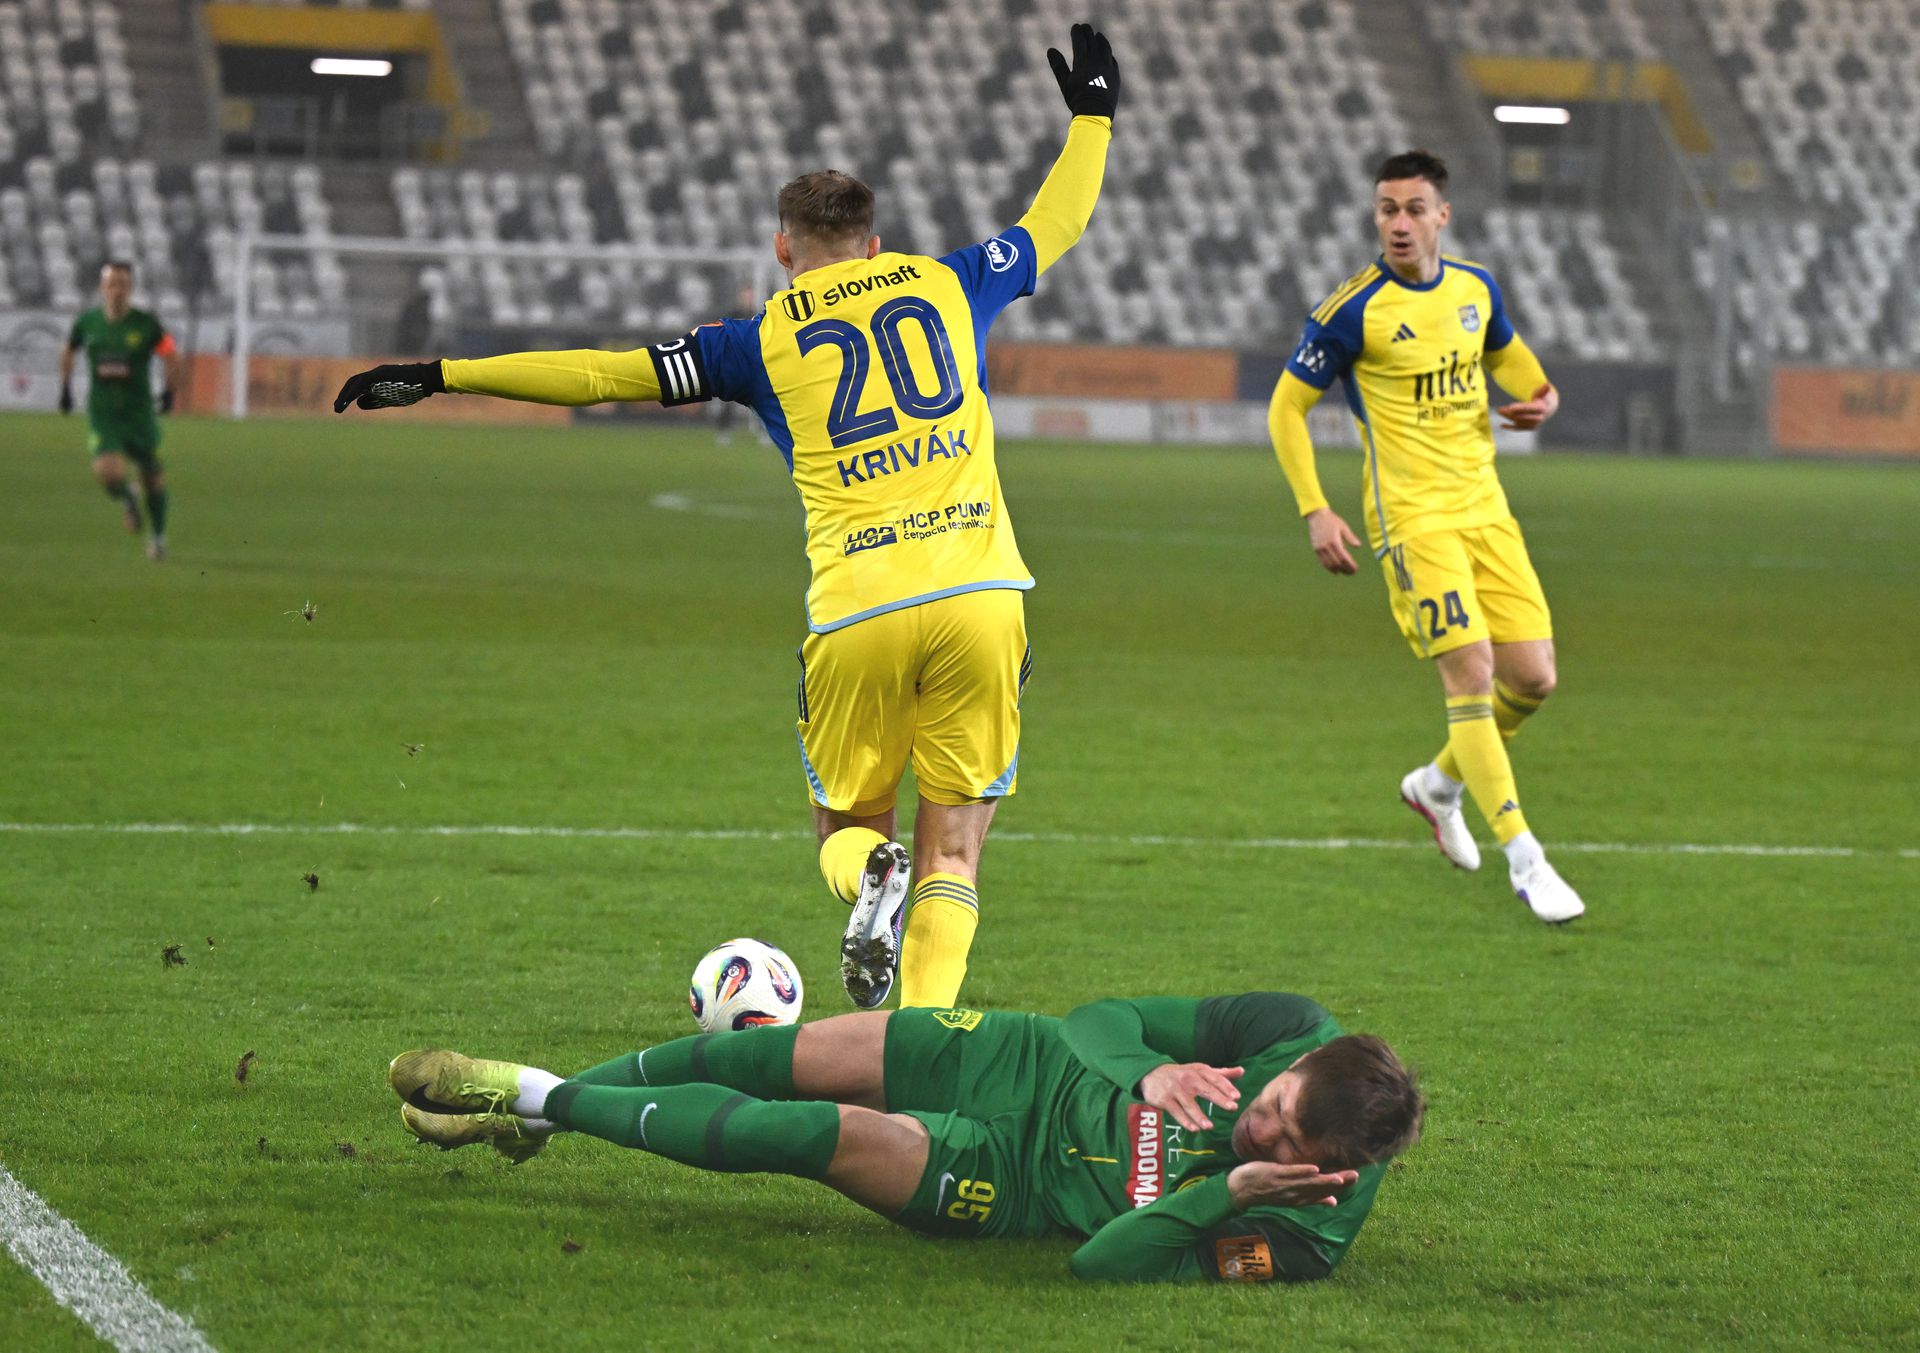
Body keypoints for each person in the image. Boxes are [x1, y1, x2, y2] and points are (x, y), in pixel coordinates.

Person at [334, 25, 1122, 1008]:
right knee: (957, 849)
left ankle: (869, 879)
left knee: (848, 834)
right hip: (982, 597)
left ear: (783, 249)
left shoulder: (755, 339)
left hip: (858, 607)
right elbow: (1058, 220)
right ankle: (917, 1050)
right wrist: (1091, 116)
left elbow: (601, 374)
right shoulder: (952, 280)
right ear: (874, 243)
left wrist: (443, 372)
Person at [387, 989, 1423, 1283]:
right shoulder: (1293, 1028)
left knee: (799, 1134)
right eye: (1277, 1095)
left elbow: (1102, 1264)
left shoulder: (1303, 1243)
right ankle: (528, 1114)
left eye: (1279, 1134)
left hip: (1002, 1184)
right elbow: (1098, 1019)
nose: (1261, 1116)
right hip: (1015, 1060)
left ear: (1322, 1170)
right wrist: (1144, 1067)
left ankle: (523, 1093)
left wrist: (1224, 1196)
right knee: (759, 1059)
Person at [1267, 150, 1583, 924]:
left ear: (1443, 215)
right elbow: (1285, 408)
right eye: (1386, 209)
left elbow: (1508, 356)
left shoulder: (1475, 289)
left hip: (1487, 510)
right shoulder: (1353, 310)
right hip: (1412, 521)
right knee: (1470, 674)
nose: (1398, 223)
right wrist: (1315, 507)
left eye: (1413, 209)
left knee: (1533, 678)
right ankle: (1526, 856)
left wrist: (1540, 394)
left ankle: (1437, 785)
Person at [60, 260, 181, 561]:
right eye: (112, 284)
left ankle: (158, 538)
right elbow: (68, 349)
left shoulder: (146, 325)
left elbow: (170, 353)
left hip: (139, 414)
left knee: (153, 477)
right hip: (105, 415)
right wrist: (65, 388)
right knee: (107, 471)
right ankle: (128, 498)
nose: (117, 290)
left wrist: (169, 391)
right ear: (102, 288)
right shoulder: (87, 323)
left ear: (131, 288)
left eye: (123, 285)